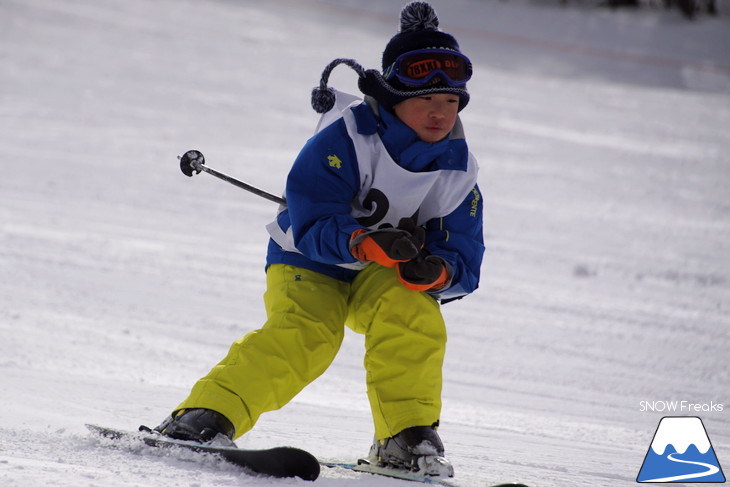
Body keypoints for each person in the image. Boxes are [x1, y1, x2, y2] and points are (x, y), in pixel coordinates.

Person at [154, 1, 484, 476]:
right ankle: (202, 418)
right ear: (392, 99)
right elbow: (311, 218)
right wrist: (365, 243)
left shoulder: (458, 170)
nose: (439, 115)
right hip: (308, 259)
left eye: (450, 103)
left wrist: (437, 270)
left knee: (413, 313)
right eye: (425, 102)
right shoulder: (346, 139)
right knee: (308, 333)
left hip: (382, 273)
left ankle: (406, 436)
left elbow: (463, 255)